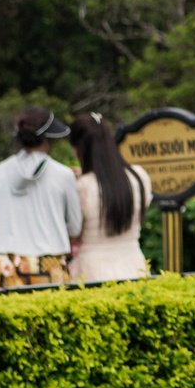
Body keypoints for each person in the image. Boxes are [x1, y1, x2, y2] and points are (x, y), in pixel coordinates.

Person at [0, 105, 82, 288]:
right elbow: (75, 227)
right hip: (49, 261)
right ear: (48, 139)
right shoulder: (63, 174)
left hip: (3, 262)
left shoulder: (0, 171)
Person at [68, 111, 152, 283]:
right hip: (135, 266)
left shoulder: (82, 187)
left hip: (91, 271)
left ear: (79, 149)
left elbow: (74, 232)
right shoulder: (139, 177)